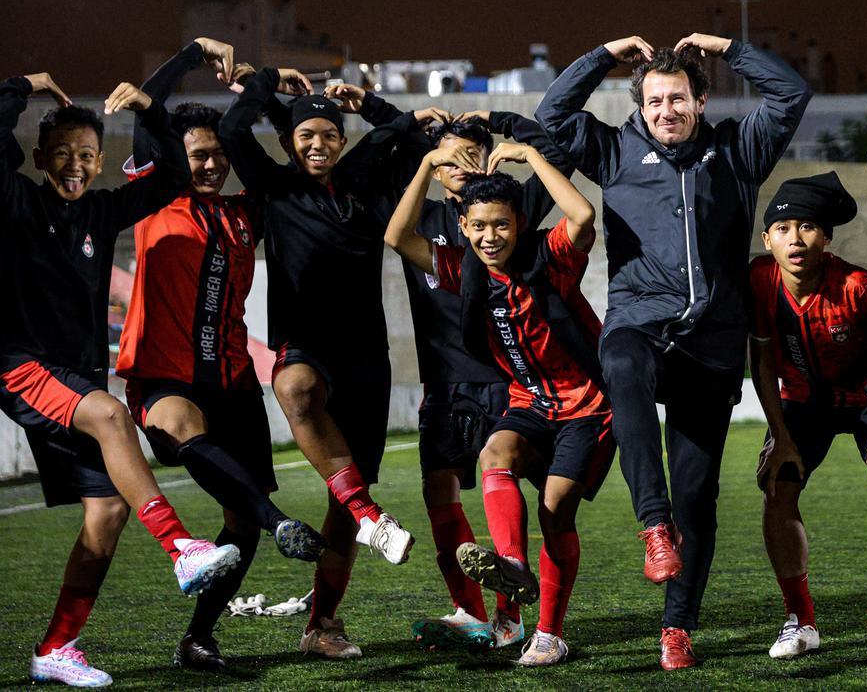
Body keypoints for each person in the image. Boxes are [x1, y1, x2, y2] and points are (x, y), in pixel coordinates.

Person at [536, 32, 811, 669]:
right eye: (656, 100)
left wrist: (727, 45)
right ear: (640, 105)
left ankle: (677, 627)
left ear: (701, 98)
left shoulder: (738, 149)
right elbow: (551, 115)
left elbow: (791, 92)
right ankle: (653, 526)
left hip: (712, 346)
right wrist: (602, 55)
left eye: (678, 98)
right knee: (622, 361)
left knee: (698, 495)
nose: (667, 110)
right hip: (642, 322)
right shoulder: (612, 149)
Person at [0, 72, 241, 687]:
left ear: (100, 159)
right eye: (61, 154)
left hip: (74, 378)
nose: (74, 165)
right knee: (112, 413)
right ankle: (183, 548)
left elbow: (168, 175)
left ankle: (56, 648)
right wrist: (21, 87)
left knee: (106, 512)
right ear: (39, 157)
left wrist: (152, 110)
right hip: (21, 365)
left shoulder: (105, 211)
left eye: (85, 155)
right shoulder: (19, 200)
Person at [117, 39, 326, 671]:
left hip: (235, 381)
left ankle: (199, 637)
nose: (211, 165)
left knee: (235, 526)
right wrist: (189, 55)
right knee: (182, 428)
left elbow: (294, 162)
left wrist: (282, 96)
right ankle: (278, 520)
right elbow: (145, 113)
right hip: (162, 375)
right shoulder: (154, 197)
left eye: (216, 156)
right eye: (198, 157)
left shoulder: (244, 213)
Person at [342, 90, 573, 650]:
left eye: (471, 155)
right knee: (438, 493)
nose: (459, 168)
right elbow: (359, 178)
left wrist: (507, 134)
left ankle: (513, 617)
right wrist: (392, 122)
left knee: (537, 502)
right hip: (443, 385)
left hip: (510, 382)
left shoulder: (507, 213)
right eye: (448, 159)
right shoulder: (419, 215)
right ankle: (470, 613)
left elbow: (558, 152)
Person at [385, 141, 613, 666]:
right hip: (529, 400)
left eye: (503, 225)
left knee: (555, 512)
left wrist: (531, 156)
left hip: (587, 405)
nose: (491, 237)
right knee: (494, 456)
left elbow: (581, 212)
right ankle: (510, 564)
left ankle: (550, 634)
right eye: (480, 226)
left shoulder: (549, 255)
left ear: (521, 223)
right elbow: (397, 236)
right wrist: (425, 163)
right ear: (464, 227)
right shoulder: (462, 268)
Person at [219, 67, 420, 659]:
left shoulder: (363, 178)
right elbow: (233, 128)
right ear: (288, 141)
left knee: (339, 506)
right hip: (304, 342)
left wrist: (369, 103)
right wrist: (264, 82)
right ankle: (370, 514)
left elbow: (409, 134)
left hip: (368, 355)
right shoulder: (275, 186)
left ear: (341, 139)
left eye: (328, 134)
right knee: (297, 389)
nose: (317, 144)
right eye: (305, 135)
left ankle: (322, 625)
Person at [750, 173, 867, 661]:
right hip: (804, 399)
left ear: (826, 238)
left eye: (807, 227)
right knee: (777, 489)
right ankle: (799, 620)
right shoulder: (760, 280)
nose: (795, 238)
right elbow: (762, 359)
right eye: (782, 228)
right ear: (768, 240)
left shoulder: (856, 283)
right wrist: (780, 436)